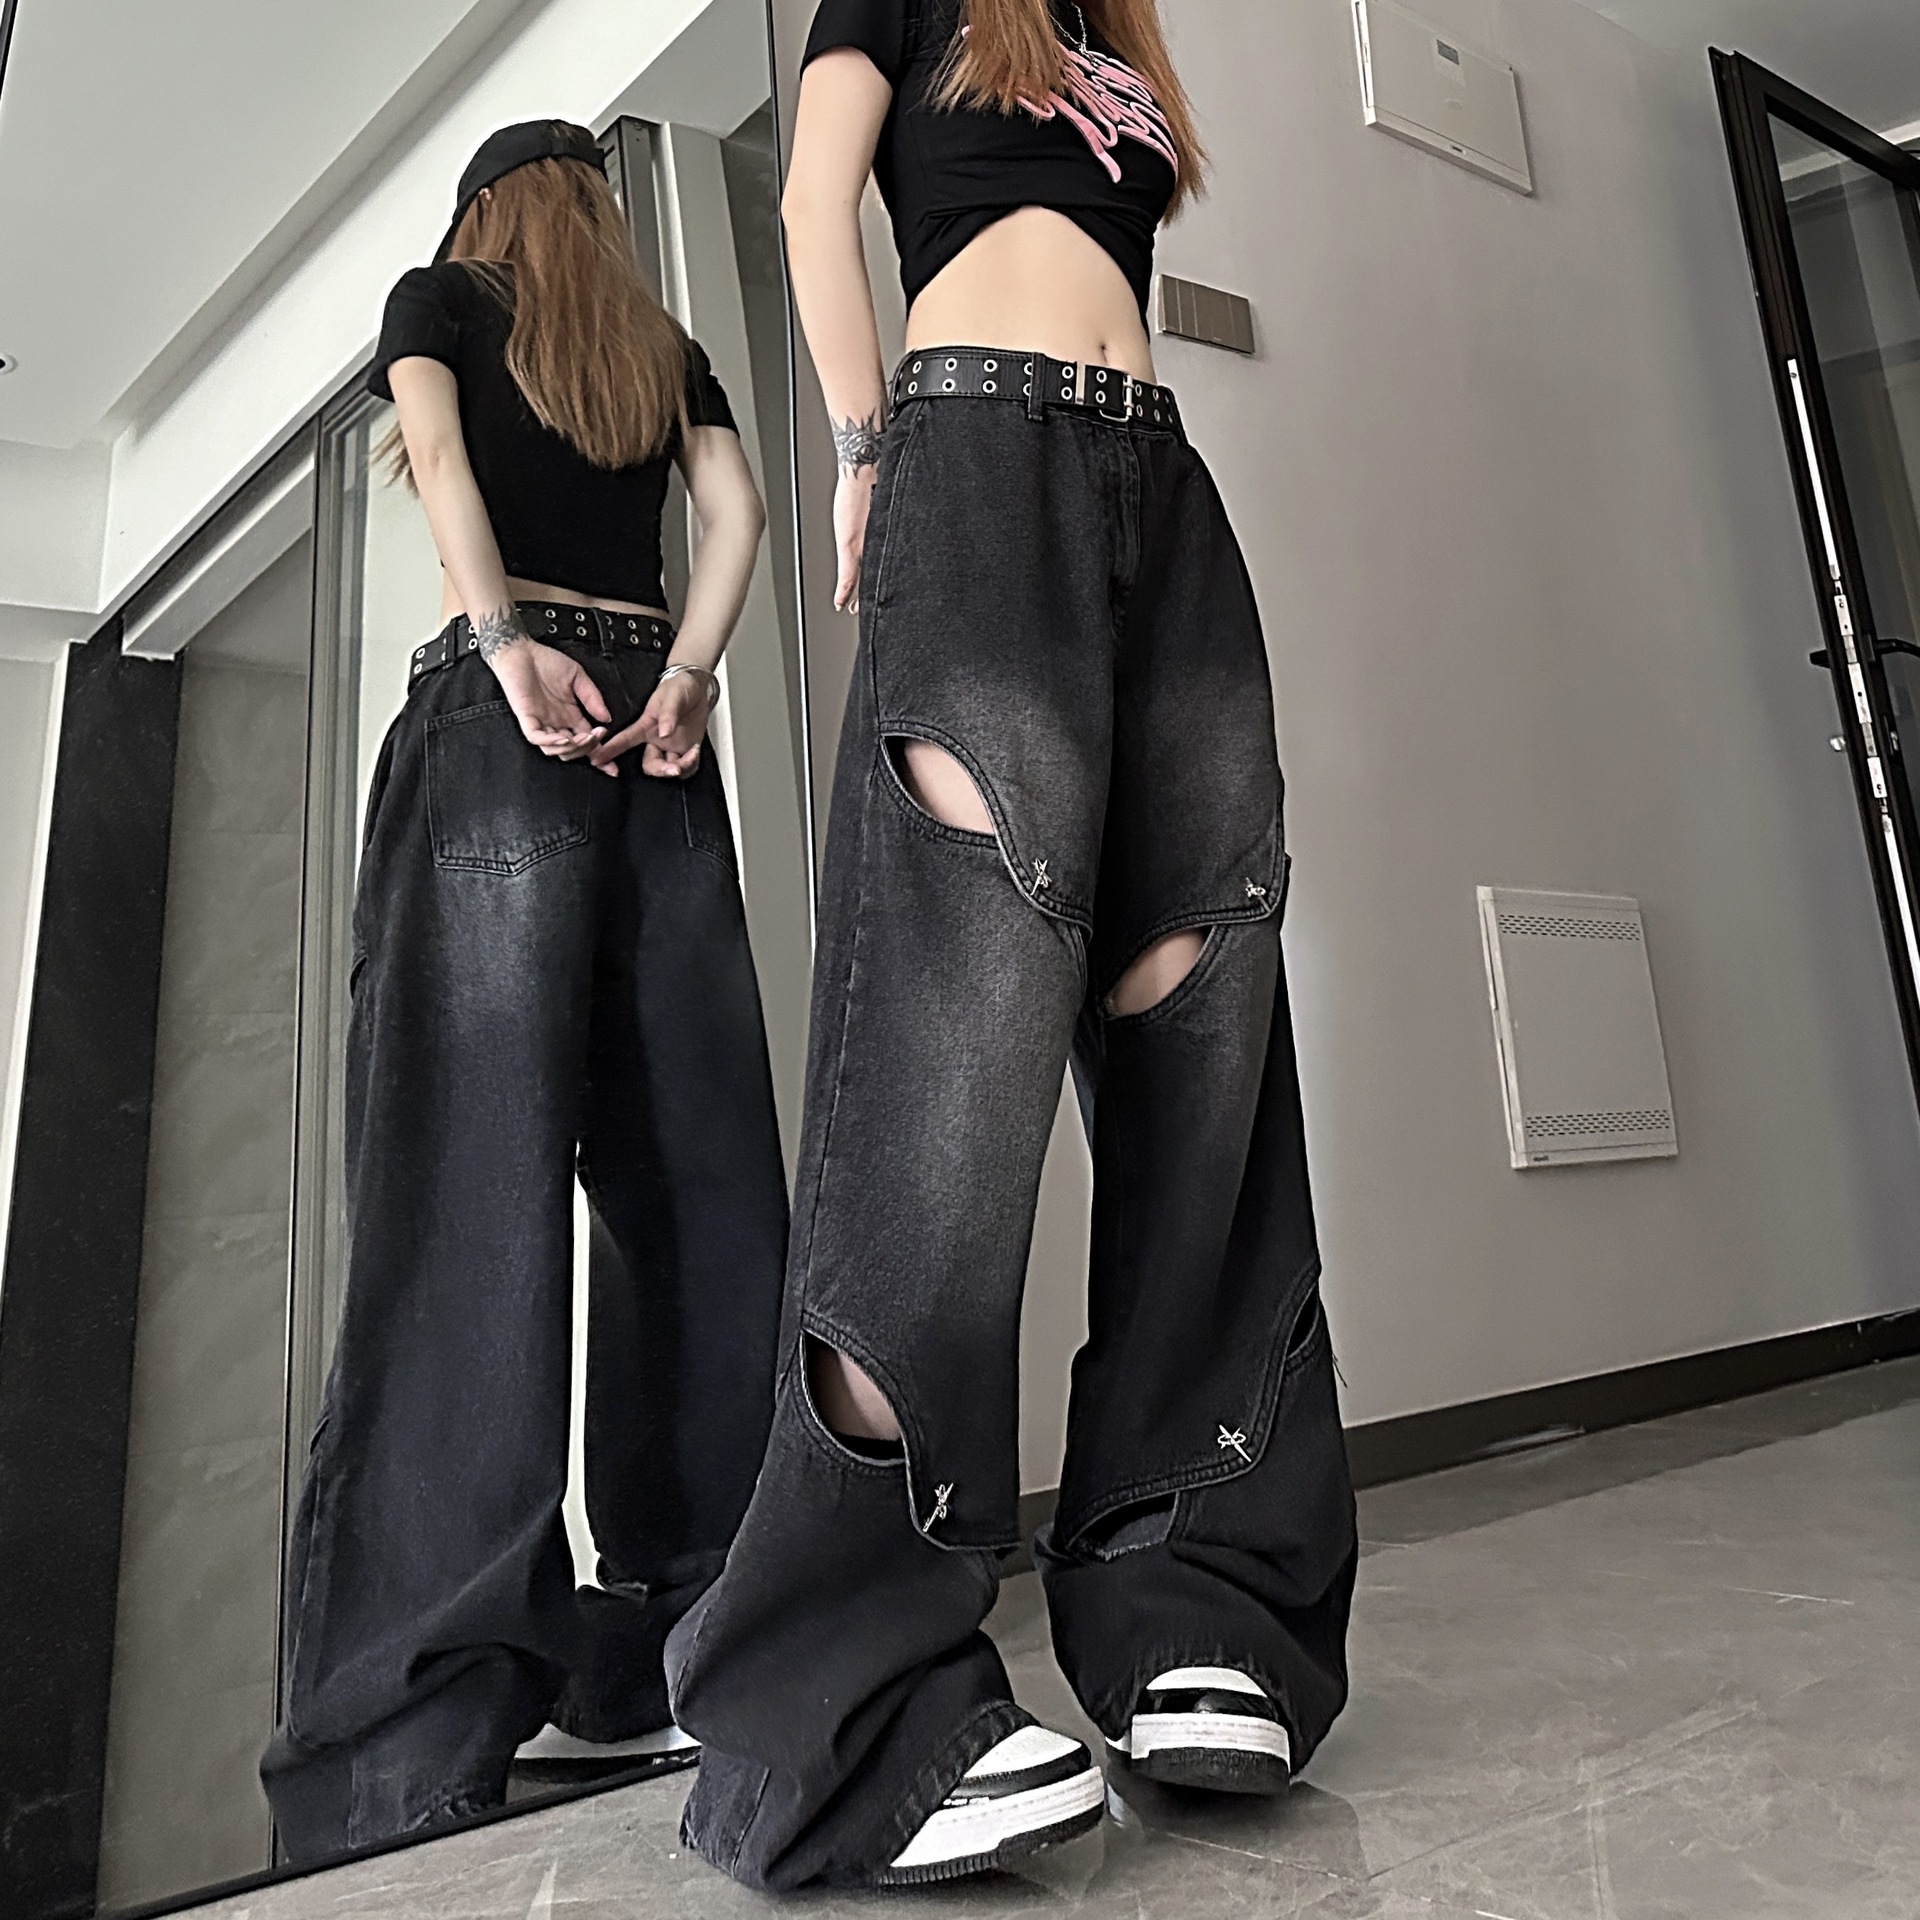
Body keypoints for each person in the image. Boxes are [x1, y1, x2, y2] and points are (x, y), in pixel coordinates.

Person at [664, 0, 1358, 1891]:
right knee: (956, 1040)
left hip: (1160, 482)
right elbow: (815, 204)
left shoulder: (1110, 31)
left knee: (1201, 1001)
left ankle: (1192, 1584)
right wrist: (866, 446)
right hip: (972, 450)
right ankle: (841, 1697)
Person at [261, 120, 788, 1858]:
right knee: (696, 1196)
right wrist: (689, 675)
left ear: (483, 206)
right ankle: (703, 1644)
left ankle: (414, 1734)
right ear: (597, 215)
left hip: (511, 722)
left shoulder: (441, 299)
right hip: (653, 735)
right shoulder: (658, 346)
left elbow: (436, 456)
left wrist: (500, 646)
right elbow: (738, 511)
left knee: (461, 1198)